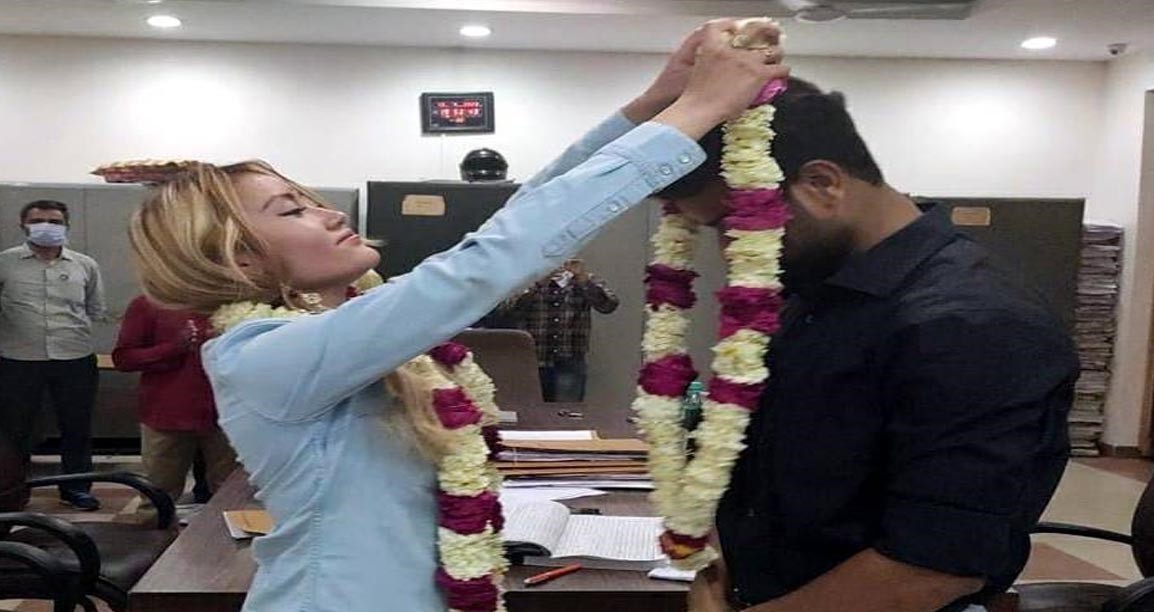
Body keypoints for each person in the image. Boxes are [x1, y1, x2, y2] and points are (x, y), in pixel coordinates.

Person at [124, 20, 788, 612]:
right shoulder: (264, 353)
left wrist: (656, 105)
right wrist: (701, 109)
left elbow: (512, 220)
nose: (327, 212)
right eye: (292, 210)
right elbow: (490, 259)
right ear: (238, 258)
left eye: (310, 198)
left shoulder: (350, 325)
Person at [666, 78, 1079, 612]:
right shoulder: (817, 292)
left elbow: (930, 570)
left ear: (822, 184)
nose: (728, 250)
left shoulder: (974, 325)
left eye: (733, 223)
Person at [0, 200, 105, 511]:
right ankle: (12, 491)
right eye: (38, 220)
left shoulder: (84, 265)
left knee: (77, 428)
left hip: (74, 358)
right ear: (23, 225)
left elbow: (95, 308)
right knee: (16, 429)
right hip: (18, 359)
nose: (46, 226)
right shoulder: (5, 263)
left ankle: (76, 489)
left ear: (66, 226)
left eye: (55, 221)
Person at [112, 295, 239, 514]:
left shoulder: (238, 301)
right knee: (157, 501)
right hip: (168, 413)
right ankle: (156, 536)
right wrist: (173, 347)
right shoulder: (150, 303)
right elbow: (124, 359)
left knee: (232, 498)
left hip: (229, 412)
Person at [503, 258, 619, 401]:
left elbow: (608, 306)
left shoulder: (584, 280)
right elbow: (506, 309)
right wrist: (538, 283)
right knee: (528, 409)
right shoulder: (527, 280)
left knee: (566, 411)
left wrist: (584, 280)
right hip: (530, 361)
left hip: (569, 361)